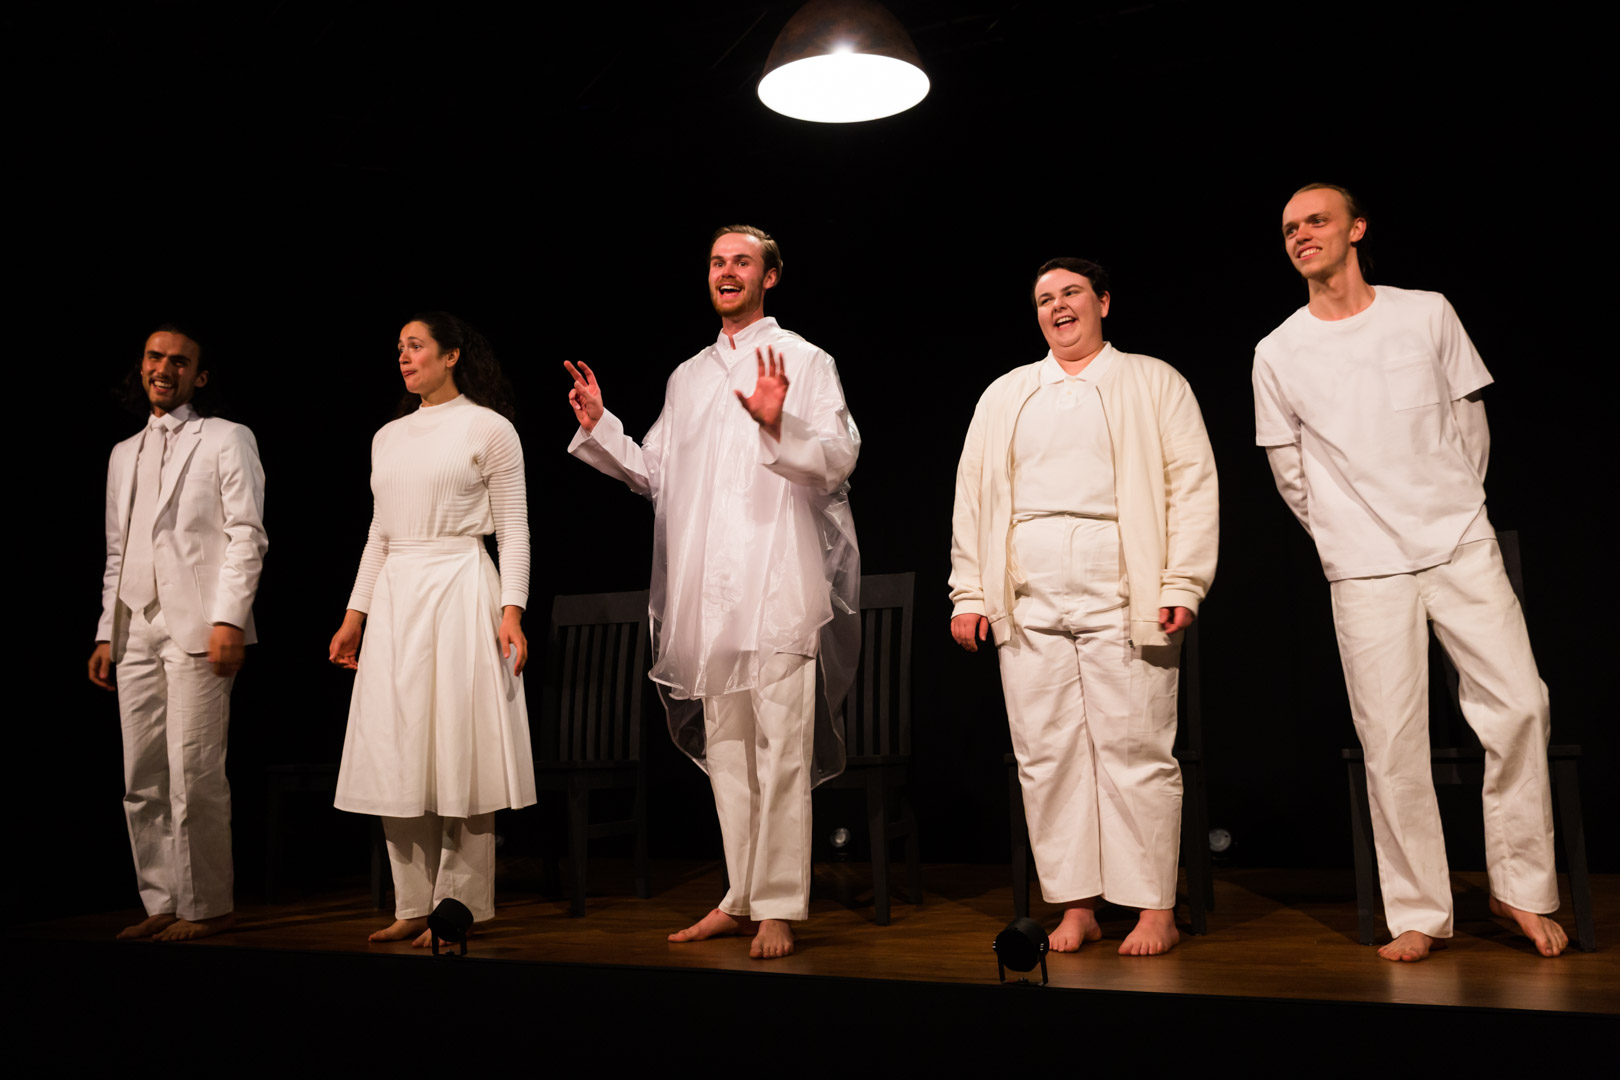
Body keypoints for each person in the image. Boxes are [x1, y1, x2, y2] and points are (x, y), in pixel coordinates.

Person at [1253, 183, 1567, 961]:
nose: (1302, 235)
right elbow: (1290, 472)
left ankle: (1519, 887)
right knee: (1391, 739)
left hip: (1457, 542)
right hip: (1365, 567)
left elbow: (1469, 425)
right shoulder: (1277, 350)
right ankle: (1420, 910)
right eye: (1290, 229)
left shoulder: (1426, 312)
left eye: (1317, 221)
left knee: (1521, 705)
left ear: (1356, 228)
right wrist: (1345, 536)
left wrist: (1454, 508)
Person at [565, 225, 859, 959]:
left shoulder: (804, 359)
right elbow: (656, 474)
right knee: (729, 752)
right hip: (710, 591)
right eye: (718, 261)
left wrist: (778, 422)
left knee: (781, 748)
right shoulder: (689, 376)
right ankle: (740, 895)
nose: (727, 272)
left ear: (770, 276)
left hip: (779, 579)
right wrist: (603, 428)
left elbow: (839, 458)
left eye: (742, 262)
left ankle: (779, 907)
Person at [950, 258, 1218, 956]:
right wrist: (970, 592)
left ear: (1103, 301)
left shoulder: (1153, 381)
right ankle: (1077, 903)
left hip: (1121, 581)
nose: (1057, 306)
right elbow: (973, 496)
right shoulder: (1007, 393)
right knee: (1047, 753)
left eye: (1071, 293)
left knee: (1134, 746)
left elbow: (1190, 485)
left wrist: (1181, 583)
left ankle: (1154, 906)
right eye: (1045, 298)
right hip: (1028, 589)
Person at [329, 311, 536, 947]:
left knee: (460, 749)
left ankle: (457, 908)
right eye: (399, 347)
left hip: (459, 586)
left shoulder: (488, 428)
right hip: (398, 595)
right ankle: (412, 903)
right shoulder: (387, 437)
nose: (404, 356)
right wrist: (355, 615)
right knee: (398, 750)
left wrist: (512, 611)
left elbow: (514, 528)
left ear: (451, 356)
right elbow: (380, 532)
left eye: (416, 346)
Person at [90, 324, 268, 942]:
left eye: (179, 361)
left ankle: (208, 905)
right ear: (142, 365)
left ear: (200, 375)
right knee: (141, 777)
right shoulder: (124, 452)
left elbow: (247, 534)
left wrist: (229, 618)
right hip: (136, 624)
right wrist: (107, 632)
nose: (163, 368)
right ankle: (162, 898)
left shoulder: (225, 437)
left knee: (194, 771)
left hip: (198, 624)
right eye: (154, 357)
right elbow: (118, 550)